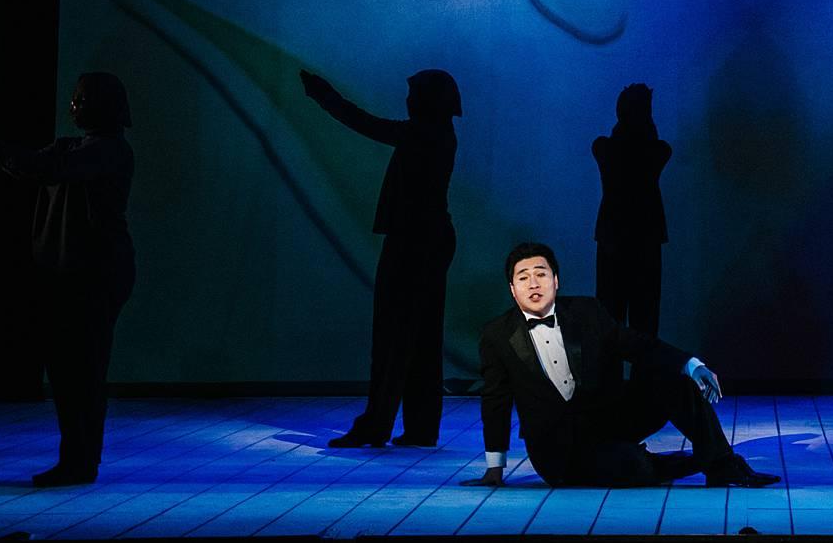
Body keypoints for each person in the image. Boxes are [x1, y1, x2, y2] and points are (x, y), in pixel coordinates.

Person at [463, 242, 780, 488]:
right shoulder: (497, 334)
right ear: (512, 289)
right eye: (524, 278)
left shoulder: (586, 311)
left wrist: (690, 364)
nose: (534, 284)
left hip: (608, 418)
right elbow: (496, 401)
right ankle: (693, 461)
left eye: (541, 274)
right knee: (635, 468)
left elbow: (637, 346)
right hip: (561, 449)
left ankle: (721, 465)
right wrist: (495, 467)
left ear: (556, 281)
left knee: (672, 379)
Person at [0, 73, 136, 487]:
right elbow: (41, 165)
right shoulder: (78, 148)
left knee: (82, 371)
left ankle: (80, 461)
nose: (74, 106)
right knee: (69, 370)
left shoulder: (108, 152)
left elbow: (43, 168)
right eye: (75, 99)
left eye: (83, 99)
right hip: (73, 274)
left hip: (93, 274)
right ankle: (76, 459)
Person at [301, 66, 460, 449]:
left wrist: (326, 97)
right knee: (421, 338)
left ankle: (377, 424)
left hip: (413, 242)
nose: (407, 100)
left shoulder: (423, 134)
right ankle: (421, 426)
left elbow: (366, 123)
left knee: (394, 335)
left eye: (413, 94)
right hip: (430, 239)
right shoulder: (438, 134)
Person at [592, 83, 672, 341]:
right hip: (645, 238)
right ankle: (644, 379)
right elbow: (655, 151)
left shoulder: (604, 147)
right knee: (645, 319)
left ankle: (607, 379)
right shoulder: (658, 151)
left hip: (612, 237)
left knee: (610, 316)